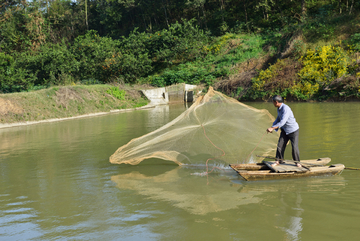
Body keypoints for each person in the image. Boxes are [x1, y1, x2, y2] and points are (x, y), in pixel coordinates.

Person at [266, 95, 300, 167]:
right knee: (280, 146)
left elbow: (283, 122)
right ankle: (278, 161)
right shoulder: (279, 109)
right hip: (285, 130)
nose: (272, 103)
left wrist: (273, 128)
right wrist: (272, 127)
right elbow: (278, 119)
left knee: (294, 147)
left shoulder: (286, 109)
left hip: (293, 130)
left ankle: (297, 162)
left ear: (276, 102)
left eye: (273, 102)